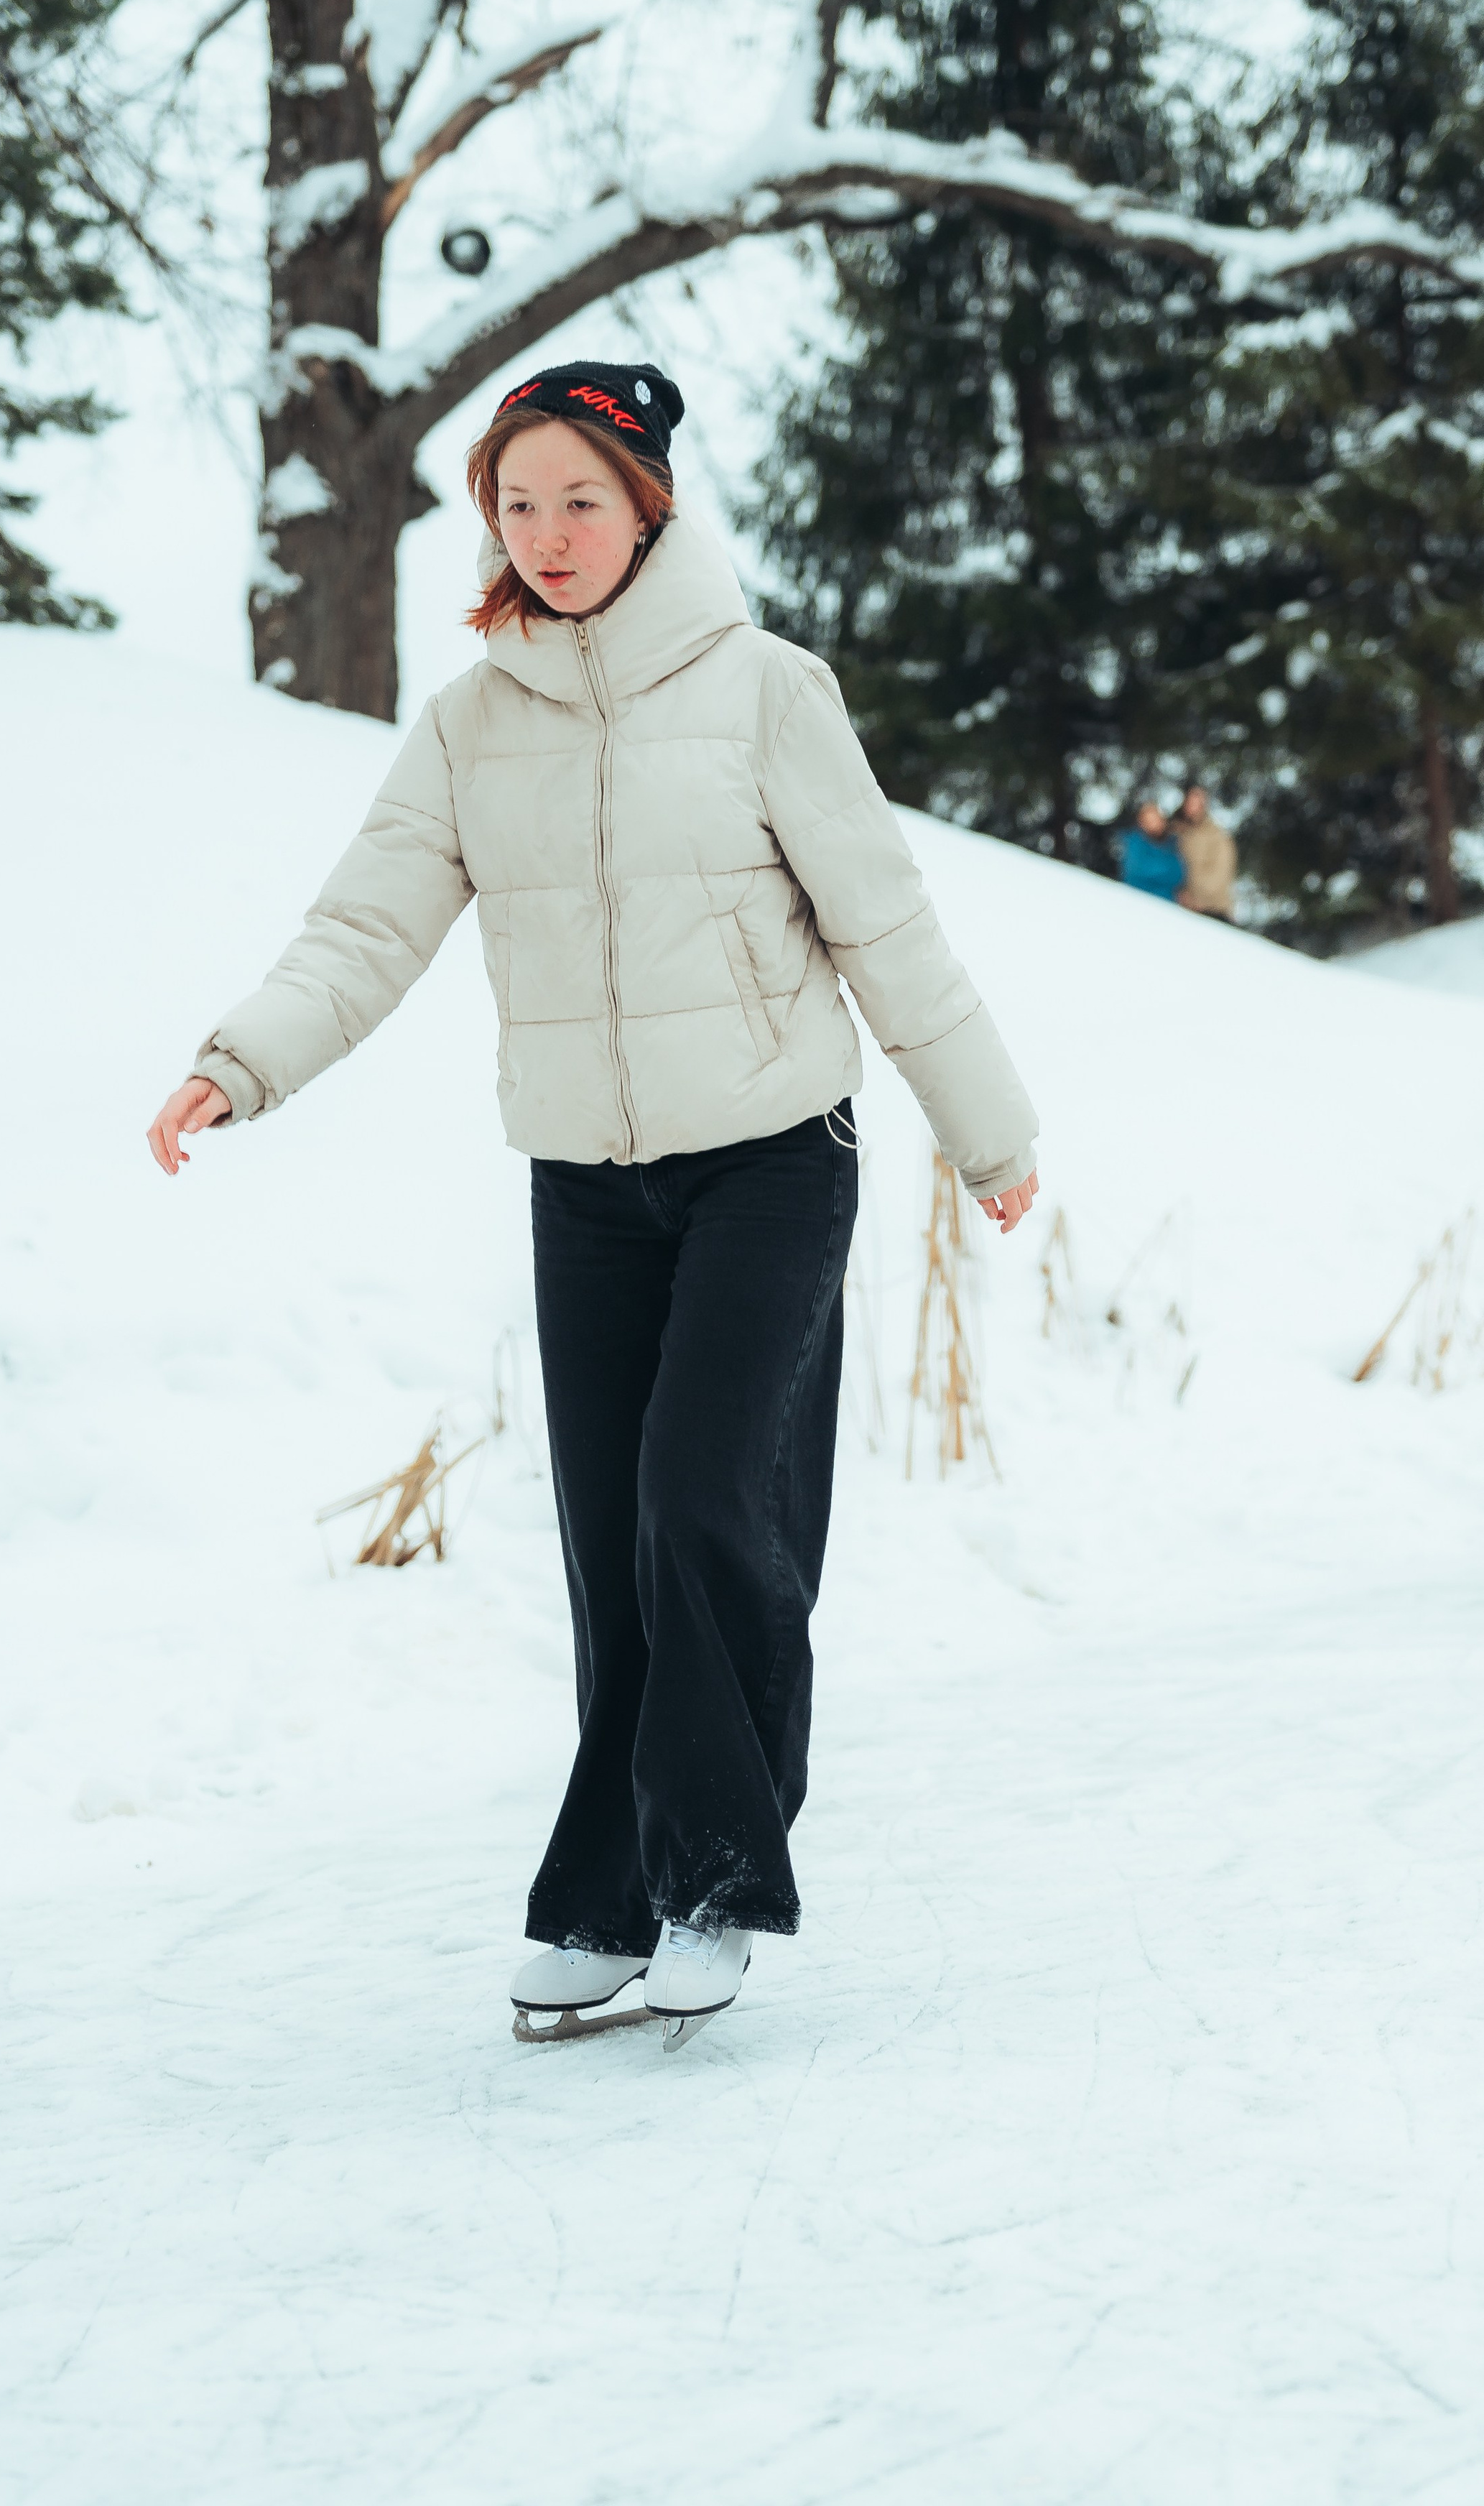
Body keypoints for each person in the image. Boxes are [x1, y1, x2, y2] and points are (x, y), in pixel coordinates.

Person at [147, 361, 1039, 2051]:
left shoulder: (768, 693)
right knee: (610, 1550)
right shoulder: (473, 723)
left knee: (704, 1492)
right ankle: (606, 1897)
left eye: (578, 496)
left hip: (772, 1161)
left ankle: (712, 1877)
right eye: (515, 501)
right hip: (585, 1185)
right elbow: (366, 924)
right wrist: (239, 1060)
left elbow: (886, 926)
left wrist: (987, 1135)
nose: (545, 532)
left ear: (647, 505)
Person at [1174, 782, 1236, 921]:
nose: (1192, 805)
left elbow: (1219, 875)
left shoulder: (1218, 837)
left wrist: (1194, 897)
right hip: (1179, 903)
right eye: (1190, 800)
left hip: (1212, 910)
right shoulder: (1175, 830)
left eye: (1197, 801)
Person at [1121, 798, 1185, 902]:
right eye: (1149, 821)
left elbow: (1179, 874)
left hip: (1168, 903)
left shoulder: (1171, 844)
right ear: (1142, 823)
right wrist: (1165, 869)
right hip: (1139, 900)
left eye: (1156, 819)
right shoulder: (1135, 843)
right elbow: (1138, 871)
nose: (1154, 824)